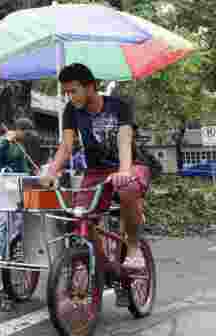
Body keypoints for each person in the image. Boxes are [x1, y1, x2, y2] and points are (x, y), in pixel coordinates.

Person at [41, 63, 151, 289]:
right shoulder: (72, 111)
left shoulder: (119, 106)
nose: (70, 97)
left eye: (74, 91)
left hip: (130, 165)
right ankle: (104, 266)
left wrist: (124, 170)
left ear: (90, 87)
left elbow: (124, 140)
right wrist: (52, 171)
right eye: (66, 92)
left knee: (127, 187)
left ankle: (132, 247)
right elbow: (66, 146)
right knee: (78, 216)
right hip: (96, 172)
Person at [0, 117, 37, 264]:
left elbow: (23, 167)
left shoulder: (20, 145)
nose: (27, 137)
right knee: (2, 218)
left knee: (20, 220)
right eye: (26, 133)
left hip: (17, 186)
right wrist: (5, 142)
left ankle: (12, 249)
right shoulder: (2, 141)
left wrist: (32, 177)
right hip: (3, 185)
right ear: (19, 130)